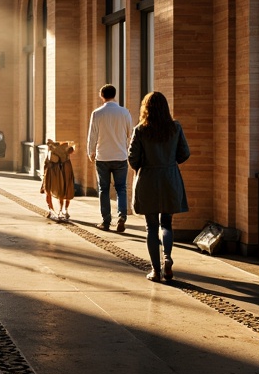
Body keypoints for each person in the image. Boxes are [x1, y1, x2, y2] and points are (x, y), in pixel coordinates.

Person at [128, 91, 190, 282]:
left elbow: (133, 158)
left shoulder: (140, 130)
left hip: (148, 180)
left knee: (151, 227)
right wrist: (170, 161)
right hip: (170, 179)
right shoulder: (175, 128)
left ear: (145, 108)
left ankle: (155, 270)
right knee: (167, 224)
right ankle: (168, 258)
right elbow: (185, 153)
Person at [86, 84, 134, 232]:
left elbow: (92, 135)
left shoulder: (97, 113)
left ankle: (106, 221)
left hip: (103, 157)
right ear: (115, 94)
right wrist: (126, 149)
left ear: (102, 96)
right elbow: (130, 134)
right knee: (121, 188)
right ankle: (122, 217)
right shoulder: (124, 112)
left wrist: (90, 152)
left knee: (103, 189)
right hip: (120, 156)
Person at [39, 140, 76, 221]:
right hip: (52, 168)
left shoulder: (66, 160)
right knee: (49, 189)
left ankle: (62, 210)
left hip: (62, 168)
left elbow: (71, 148)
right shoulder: (53, 153)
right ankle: (53, 210)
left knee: (65, 188)